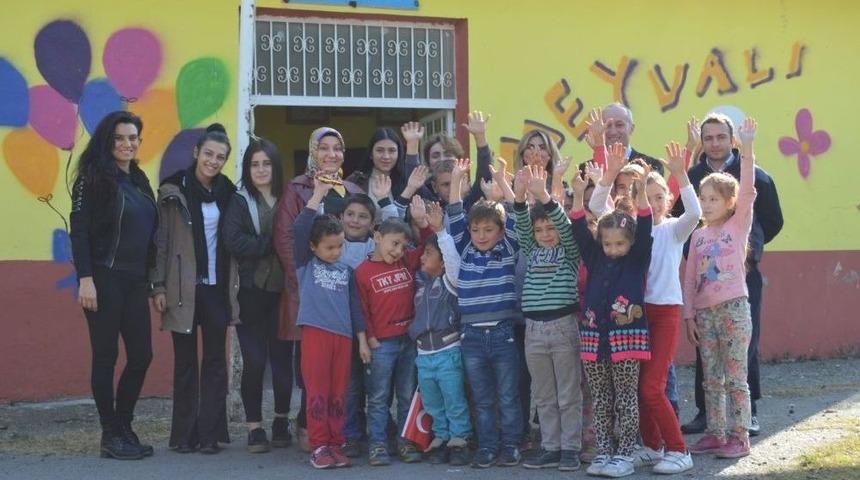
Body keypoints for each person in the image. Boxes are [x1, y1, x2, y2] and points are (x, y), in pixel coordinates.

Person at [676, 114, 783, 437]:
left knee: (744, 345)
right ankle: (707, 414)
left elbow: (773, 220)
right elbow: (679, 220)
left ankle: (748, 415)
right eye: (708, 138)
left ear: (732, 139)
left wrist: (748, 250)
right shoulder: (693, 177)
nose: (714, 143)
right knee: (706, 346)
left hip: (741, 277)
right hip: (704, 278)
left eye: (720, 137)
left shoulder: (756, 176)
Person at [70, 111, 157, 460]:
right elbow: (79, 232)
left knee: (142, 355)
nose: (127, 144)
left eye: (133, 138)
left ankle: (123, 425)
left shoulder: (138, 179)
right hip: (104, 278)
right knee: (106, 356)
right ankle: (110, 433)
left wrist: (154, 282)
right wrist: (85, 279)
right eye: (120, 138)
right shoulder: (91, 179)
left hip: (135, 281)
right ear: (108, 141)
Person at [273, 127, 363, 450]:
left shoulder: (351, 189)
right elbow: (287, 237)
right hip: (310, 288)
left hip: (343, 287)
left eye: (337, 148)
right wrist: (304, 280)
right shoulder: (298, 188)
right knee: (312, 370)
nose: (331, 154)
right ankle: (310, 431)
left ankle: (339, 435)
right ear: (313, 151)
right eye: (324, 148)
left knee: (341, 374)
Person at [151, 124, 236, 454]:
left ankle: (210, 435)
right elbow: (161, 242)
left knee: (215, 363)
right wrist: (158, 285)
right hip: (182, 289)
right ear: (196, 152)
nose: (213, 161)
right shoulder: (173, 190)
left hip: (215, 289)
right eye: (209, 154)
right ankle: (184, 436)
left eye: (220, 157)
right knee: (185, 363)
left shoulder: (228, 193)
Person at [569, 146, 653, 478]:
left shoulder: (637, 259)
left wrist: (641, 192)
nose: (613, 249)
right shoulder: (595, 258)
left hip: (627, 341)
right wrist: (578, 195)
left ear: (630, 243)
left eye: (620, 244)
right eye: (607, 244)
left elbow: (645, 226)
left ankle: (626, 453)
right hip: (593, 340)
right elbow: (579, 229)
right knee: (601, 399)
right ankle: (604, 451)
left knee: (626, 399)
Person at [684, 118, 760, 459]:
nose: (706, 204)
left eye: (713, 198)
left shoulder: (738, 225)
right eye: (703, 198)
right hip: (705, 314)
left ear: (730, 202)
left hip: (733, 309)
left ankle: (739, 436)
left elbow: (748, 190)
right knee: (711, 378)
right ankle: (715, 433)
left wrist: (748, 147)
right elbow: (689, 278)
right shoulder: (698, 236)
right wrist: (689, 316)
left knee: (735, 377)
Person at [447, 158, 523, 469]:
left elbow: (517, 214)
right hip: (472, 336)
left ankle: (511, 446)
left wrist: (503, 182)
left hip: (504, 333)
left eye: (488, 229)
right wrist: (456, 180)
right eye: (476, 229)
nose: (481, 235)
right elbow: (454, 214)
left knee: (507, 396)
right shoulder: (465, 249)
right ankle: (488, 447)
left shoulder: (507, 250)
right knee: (482, 398)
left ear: (500, 232)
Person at [293, 178, 369, 469]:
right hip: (316, 335)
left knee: (339, 393)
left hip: (344, 338)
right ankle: (319, 445)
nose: (336, 252)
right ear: (313, 247)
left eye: (339, 246)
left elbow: (355, 308)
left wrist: (361, 340)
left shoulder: (346, 271)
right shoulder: (306, 264)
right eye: (329, 247)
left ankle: (336, 443)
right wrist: (318, 195)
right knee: (318, 392)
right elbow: (300, 228)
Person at [512, 166, 583, 472]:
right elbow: (521, 226)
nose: (545, 234)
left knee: (568, 392)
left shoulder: (569, 251)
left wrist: (543, 196)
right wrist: (519, 197)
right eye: (539, 230)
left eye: (549, 228)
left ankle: (570, 448)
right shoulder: (531, 250)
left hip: (563, 326)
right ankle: (551, 447)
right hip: (534, 330)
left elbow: (565, 227)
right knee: (543, 394)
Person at [222, 138, 291, 453]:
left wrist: (274, 244)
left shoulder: (289, 196)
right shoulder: (239, 201)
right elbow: (234, 241)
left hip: (284, 292)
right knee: (254, 360)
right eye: (254, 164)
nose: (261, 169)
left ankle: (281, 421)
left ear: (275, 167)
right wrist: (273, 244)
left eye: (266, 163)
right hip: (250, 292)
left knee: (282, 361)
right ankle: (254, 427)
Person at [635, 143, 700, 474]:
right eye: (646, 198)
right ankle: (651, 446)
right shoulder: (632, 231)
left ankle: (679, 449)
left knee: (652, 387)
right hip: (637, 314)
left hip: (666, 314)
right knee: (639, 386)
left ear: (668, 199)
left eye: (659, 197)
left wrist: (680, 174)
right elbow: (599, 209)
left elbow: (695, 214)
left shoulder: (673, 230)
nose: (654, 203)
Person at [355, 198, 435, 466]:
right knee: (378, 398)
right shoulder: (362, 272)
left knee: (407, 395)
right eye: (394, 243)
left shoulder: (407, 261)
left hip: (409, 341)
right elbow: (361, 310)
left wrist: (422, 222)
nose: (399, 250)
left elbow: (428, 246)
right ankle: (378, 445)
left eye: (403, 245)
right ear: (377, 237)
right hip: (381, 345)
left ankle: (405, 442)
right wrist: (367, 340)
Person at [408, 202, 472, 466]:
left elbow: (452, 261)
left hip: (447, 353)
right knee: (432, 401)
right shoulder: (419, 282)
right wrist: (422, 225)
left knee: (453, 400)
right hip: (424, 355)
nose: (422, 258)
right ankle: (441, 436)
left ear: (443, 261)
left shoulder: (450, 282)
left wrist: (441, 233)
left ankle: (460, 440)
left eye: (428, 254)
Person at [401, 111, 494, 212]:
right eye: (436, 156)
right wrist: (412, 144)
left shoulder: (471, 197)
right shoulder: (428, 197)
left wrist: (480, 137)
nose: (442, 159)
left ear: (459, 159)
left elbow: (485, 173)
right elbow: (413, 176)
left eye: (448, 155)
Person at [586, 104, 665, 175]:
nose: (613, 132)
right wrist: (599, 150)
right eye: (607, 125)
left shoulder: (651, 165)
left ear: (631, 129)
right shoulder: (587, 169)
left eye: (619, 125)